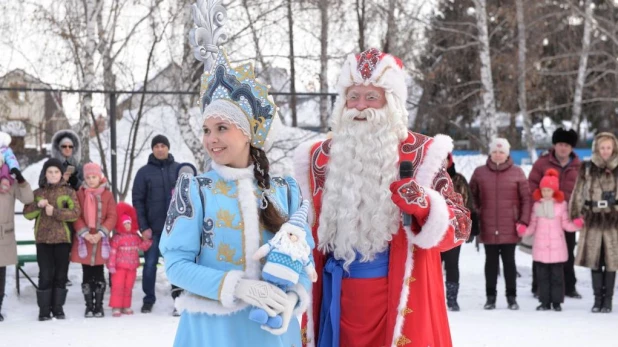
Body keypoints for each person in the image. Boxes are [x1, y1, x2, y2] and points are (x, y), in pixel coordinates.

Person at [294, 48, 471, 347]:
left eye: (371, 97)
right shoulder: (317, 158)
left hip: (399, 299)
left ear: (391, 102)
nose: (360, 107)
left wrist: (426, 206)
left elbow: (461, 225)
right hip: (334, 299)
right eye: (353, 96)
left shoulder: (422, 154)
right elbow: (299, 225)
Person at [159, 49, 314, 346]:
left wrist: (293, 300)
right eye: (206, 130)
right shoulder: (195, 190)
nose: (211, 139)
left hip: (273, 332)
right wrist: (239, 288)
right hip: (213, 330)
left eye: (221, 128)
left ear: (247, 134)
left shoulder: (285, 190)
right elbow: (176, 267)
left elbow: (303, 259)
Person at [470, 138, 531, 311]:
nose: (498, 155)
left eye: (501, 151)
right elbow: (470, 195)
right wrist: (477, 212)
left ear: (507, 153)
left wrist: (523, 221)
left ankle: (512, 298)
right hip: (488, 225)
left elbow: (526, 199)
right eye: (495, 151)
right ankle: (490, 297)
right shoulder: (480, 173)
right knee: (491, 263)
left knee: (509, 263)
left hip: (510, 226)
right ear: (490, 153)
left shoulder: (517, 172)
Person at [517, 169, 583, 311]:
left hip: (557, 249)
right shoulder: (537, 206)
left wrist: (576, 225)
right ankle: (544, 302)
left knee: (557, 278)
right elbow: (533, 225)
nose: (546, 192)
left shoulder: (561, 206)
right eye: (544, 190)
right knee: (543, 278)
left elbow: (566, 225)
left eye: (549, 190)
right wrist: (523, 230)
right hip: (541, 248)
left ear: (554, 191)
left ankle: (557, 302)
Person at [526, 127, 581, 298]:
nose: (563, 148)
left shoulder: (578, 166)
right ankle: (538, 286)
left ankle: (569, 286)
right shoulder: (542, 163)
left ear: (571, 148)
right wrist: (539, 203)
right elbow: (532, 185)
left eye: (567, 145)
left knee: (567, 251)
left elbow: (583, 189)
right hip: (545, 214)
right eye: (560, 144)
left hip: (567, 214)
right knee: (542, 251)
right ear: (555, 145)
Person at [24, 159, 81, 321]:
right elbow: (27, 214)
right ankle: (44, 310)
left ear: (61, 174)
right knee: (45, 275)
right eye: (50, 172)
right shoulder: (38, 193)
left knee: (61, 275)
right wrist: (38, 206)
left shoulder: (69, 192)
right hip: (43, 240)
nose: (53, 175)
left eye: (56, 172)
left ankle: (58, 308)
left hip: (63, 240)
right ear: (45, 174)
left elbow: (75, 213)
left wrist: (55, 212)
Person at [569, 132, 618, 313]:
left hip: (614, 220)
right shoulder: (588, 167)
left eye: (608, 147)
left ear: (614, 148)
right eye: (602, 147)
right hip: (593, 218)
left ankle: (608, 301)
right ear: (597, 148)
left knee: (612, 260)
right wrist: (575, 213)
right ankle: (597, 300)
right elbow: (577, 191)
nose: (605, 151)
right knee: (595, 259)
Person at [132, 134, 179, 314]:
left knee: (175, 264)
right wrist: (143, 227)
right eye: (156, 146)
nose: (160, 149)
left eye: (163, 146)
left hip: (175, 230)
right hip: (153, 229)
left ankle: (178, 297)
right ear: (152, 149)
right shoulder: (143, 173)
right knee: (150, 264)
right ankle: (148, 298)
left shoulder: (177, 169)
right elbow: (138, 201)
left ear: (168, 148)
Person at [72, 163, 117, 318]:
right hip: (84, 239)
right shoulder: (80, 194)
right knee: (86, 273)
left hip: (100, 239)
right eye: (88, 177)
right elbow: (76, 215)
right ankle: (88, 305)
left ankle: (99, 305)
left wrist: (101, 232)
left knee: (98, 273)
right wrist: (84, 232)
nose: (91, 180)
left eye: (94, 177)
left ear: (99, 177)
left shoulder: (107, 195)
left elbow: (112, 216)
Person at [441, 153, 479, 311]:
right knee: (432, 267)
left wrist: (472, 226)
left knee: (452, 265)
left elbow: (469, 203)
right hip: (431, 231)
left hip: (454, 230)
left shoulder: (458, 180)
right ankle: (433, 298)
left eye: (444, 159)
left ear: (450, 161)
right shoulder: (426, 177)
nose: (441, 162)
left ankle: (452, 299)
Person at [0, 164, 33, 321]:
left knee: (0, 275)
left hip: (3, 235)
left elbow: (28, 198)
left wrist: (21, 180)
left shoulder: (10, 182)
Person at [108, 202, 152, 317]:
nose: (127, 225)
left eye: (129, 223)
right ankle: (116, 306)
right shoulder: (117, 238)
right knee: (118, 286)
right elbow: (112, 252)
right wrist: (111, 265)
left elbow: (141, 247)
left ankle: (126, 305)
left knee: (128, 286)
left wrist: (147, 241)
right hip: (119, 268)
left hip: (132, 267)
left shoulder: (135, 237)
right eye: (125, 223)